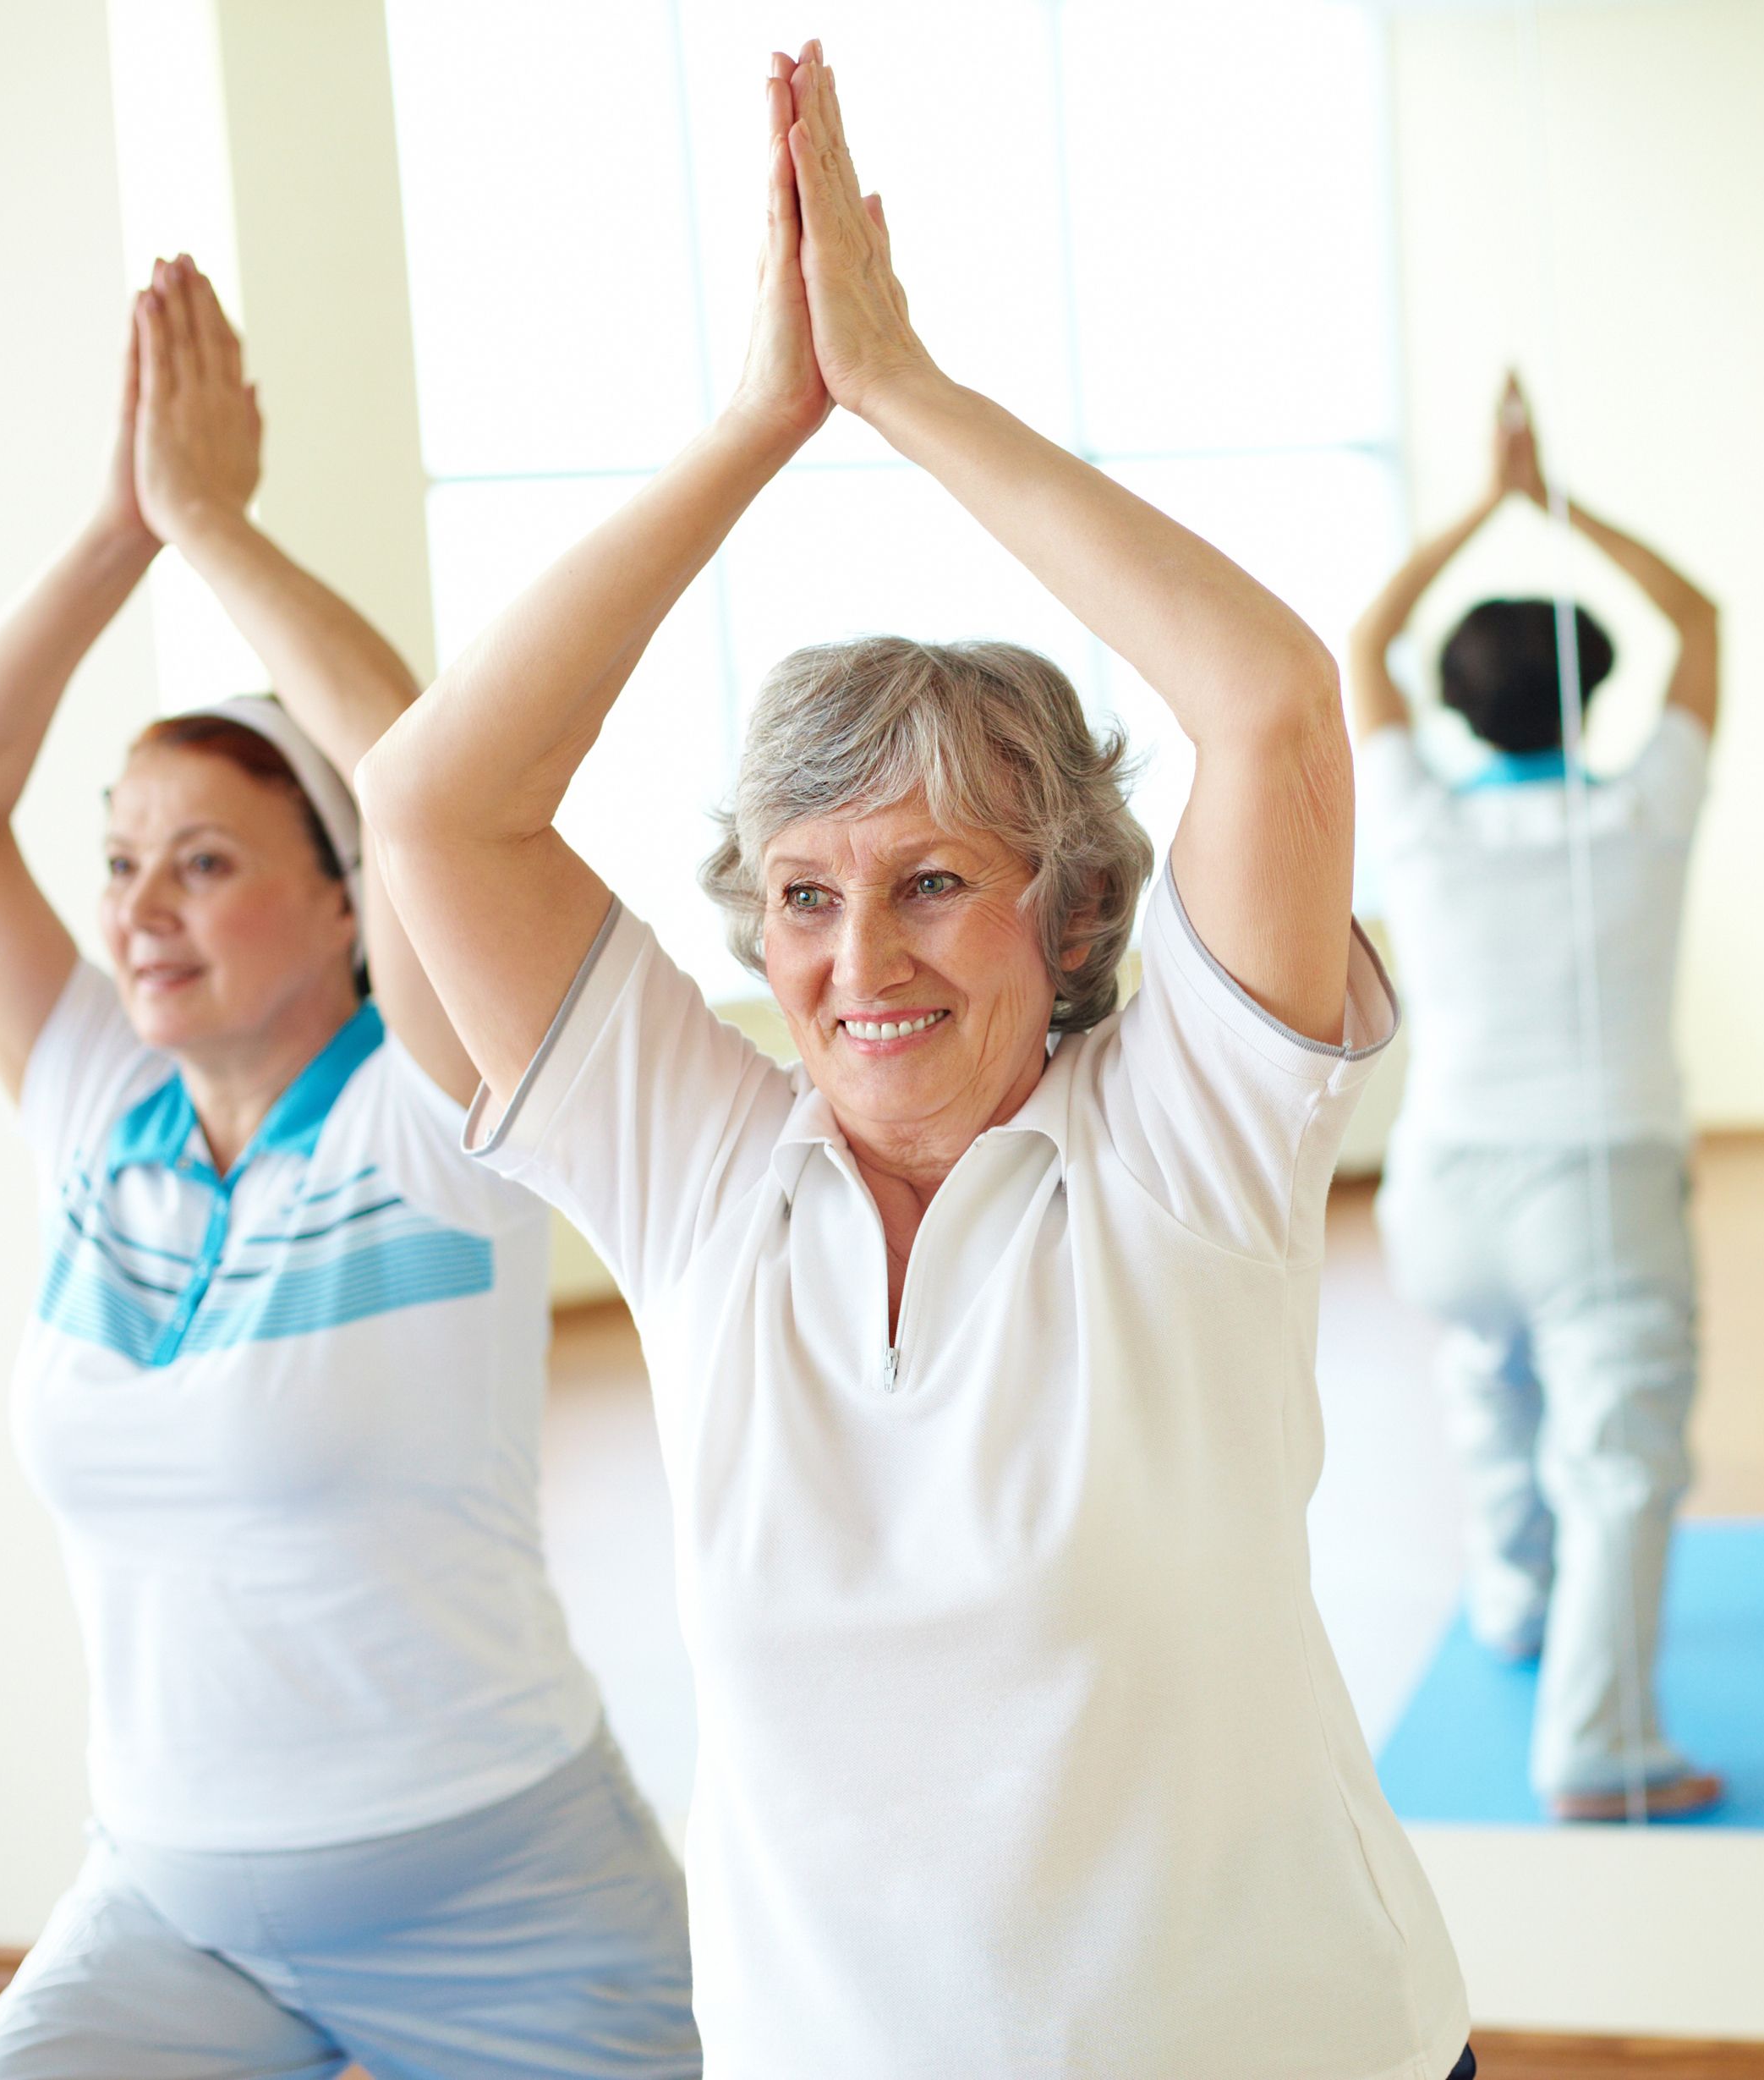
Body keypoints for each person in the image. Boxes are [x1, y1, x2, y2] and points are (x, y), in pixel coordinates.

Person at [355, 47, 1472, 2080]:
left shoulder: (1186, 1139)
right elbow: (429, 805)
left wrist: (905, 394)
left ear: (1065, 911)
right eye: (799, 895)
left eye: (935, 879)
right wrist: (750, 426)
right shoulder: (702, 1169)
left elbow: (1274, 711)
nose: (855, 959)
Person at [0, 258, 699, 2080]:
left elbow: (418, 762)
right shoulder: (96, 1100)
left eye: (203, 862)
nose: (135, 908)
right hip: (169, 1904)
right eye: (118, 861)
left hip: (510, 1906)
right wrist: (120, 524)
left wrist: (213, 526)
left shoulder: (434, 1098)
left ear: (348, 893)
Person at [1345, 377, 1723, 1821]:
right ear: (1600, 691)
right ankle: (1599, 1740)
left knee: (1490, 1385)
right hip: (1601, 1185)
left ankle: (1516, 1598)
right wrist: (1558, 503)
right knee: (1619, 1455)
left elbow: (1367, 638)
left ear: (1454, 702)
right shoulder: (1646, 805)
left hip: (1441, 1187)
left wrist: (1484, 507)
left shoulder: (1423, 821)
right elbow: (1707, 625)